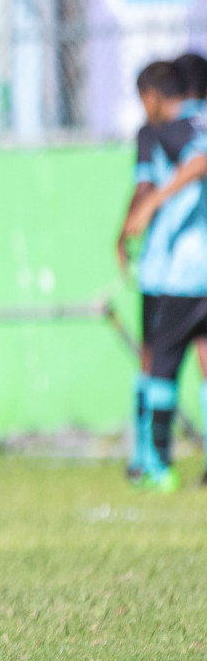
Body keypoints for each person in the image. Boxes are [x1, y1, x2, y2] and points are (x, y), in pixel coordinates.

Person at [123, 60, 207, 491]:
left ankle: (153, 463)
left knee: (159, 363)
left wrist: (152, 204)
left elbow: (198, 163)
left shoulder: (169, 128)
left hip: (182, 271)